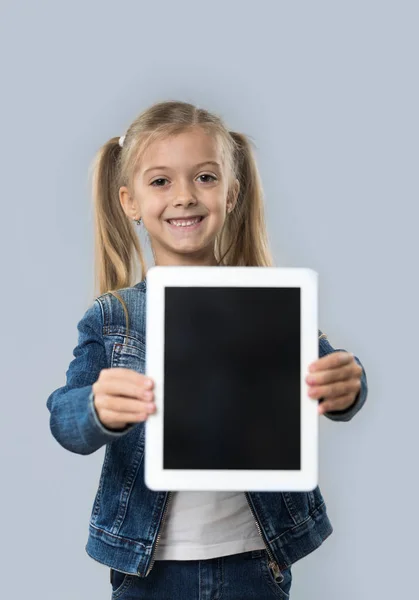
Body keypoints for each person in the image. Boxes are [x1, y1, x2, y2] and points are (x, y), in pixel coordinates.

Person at [47, 100, 368, 599]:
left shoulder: (272, 304)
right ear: (129, 202)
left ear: (232, 193)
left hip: (254, 564)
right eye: (161, 182)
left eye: (204, 178)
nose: (184, 197)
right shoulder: (116, 316)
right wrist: (96, 409)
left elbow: (335, 377)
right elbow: (65, 420)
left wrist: (348, 385)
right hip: (147, 572)